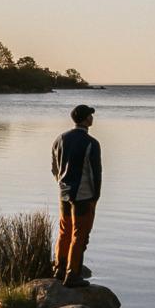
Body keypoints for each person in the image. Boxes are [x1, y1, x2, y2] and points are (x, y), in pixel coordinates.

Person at [50, 102, 101, 285]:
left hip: (63, 193)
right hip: (83, 195)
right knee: (80, 234)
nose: (92, 117)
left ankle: (59, 269)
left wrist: (61, 184)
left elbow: (54, 168)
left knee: (64, 231)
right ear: (86, 119)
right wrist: (95, 197)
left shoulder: (60, 139)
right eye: (90, 115)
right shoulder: (91, 143)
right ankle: (73, 275)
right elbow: (96, 173)